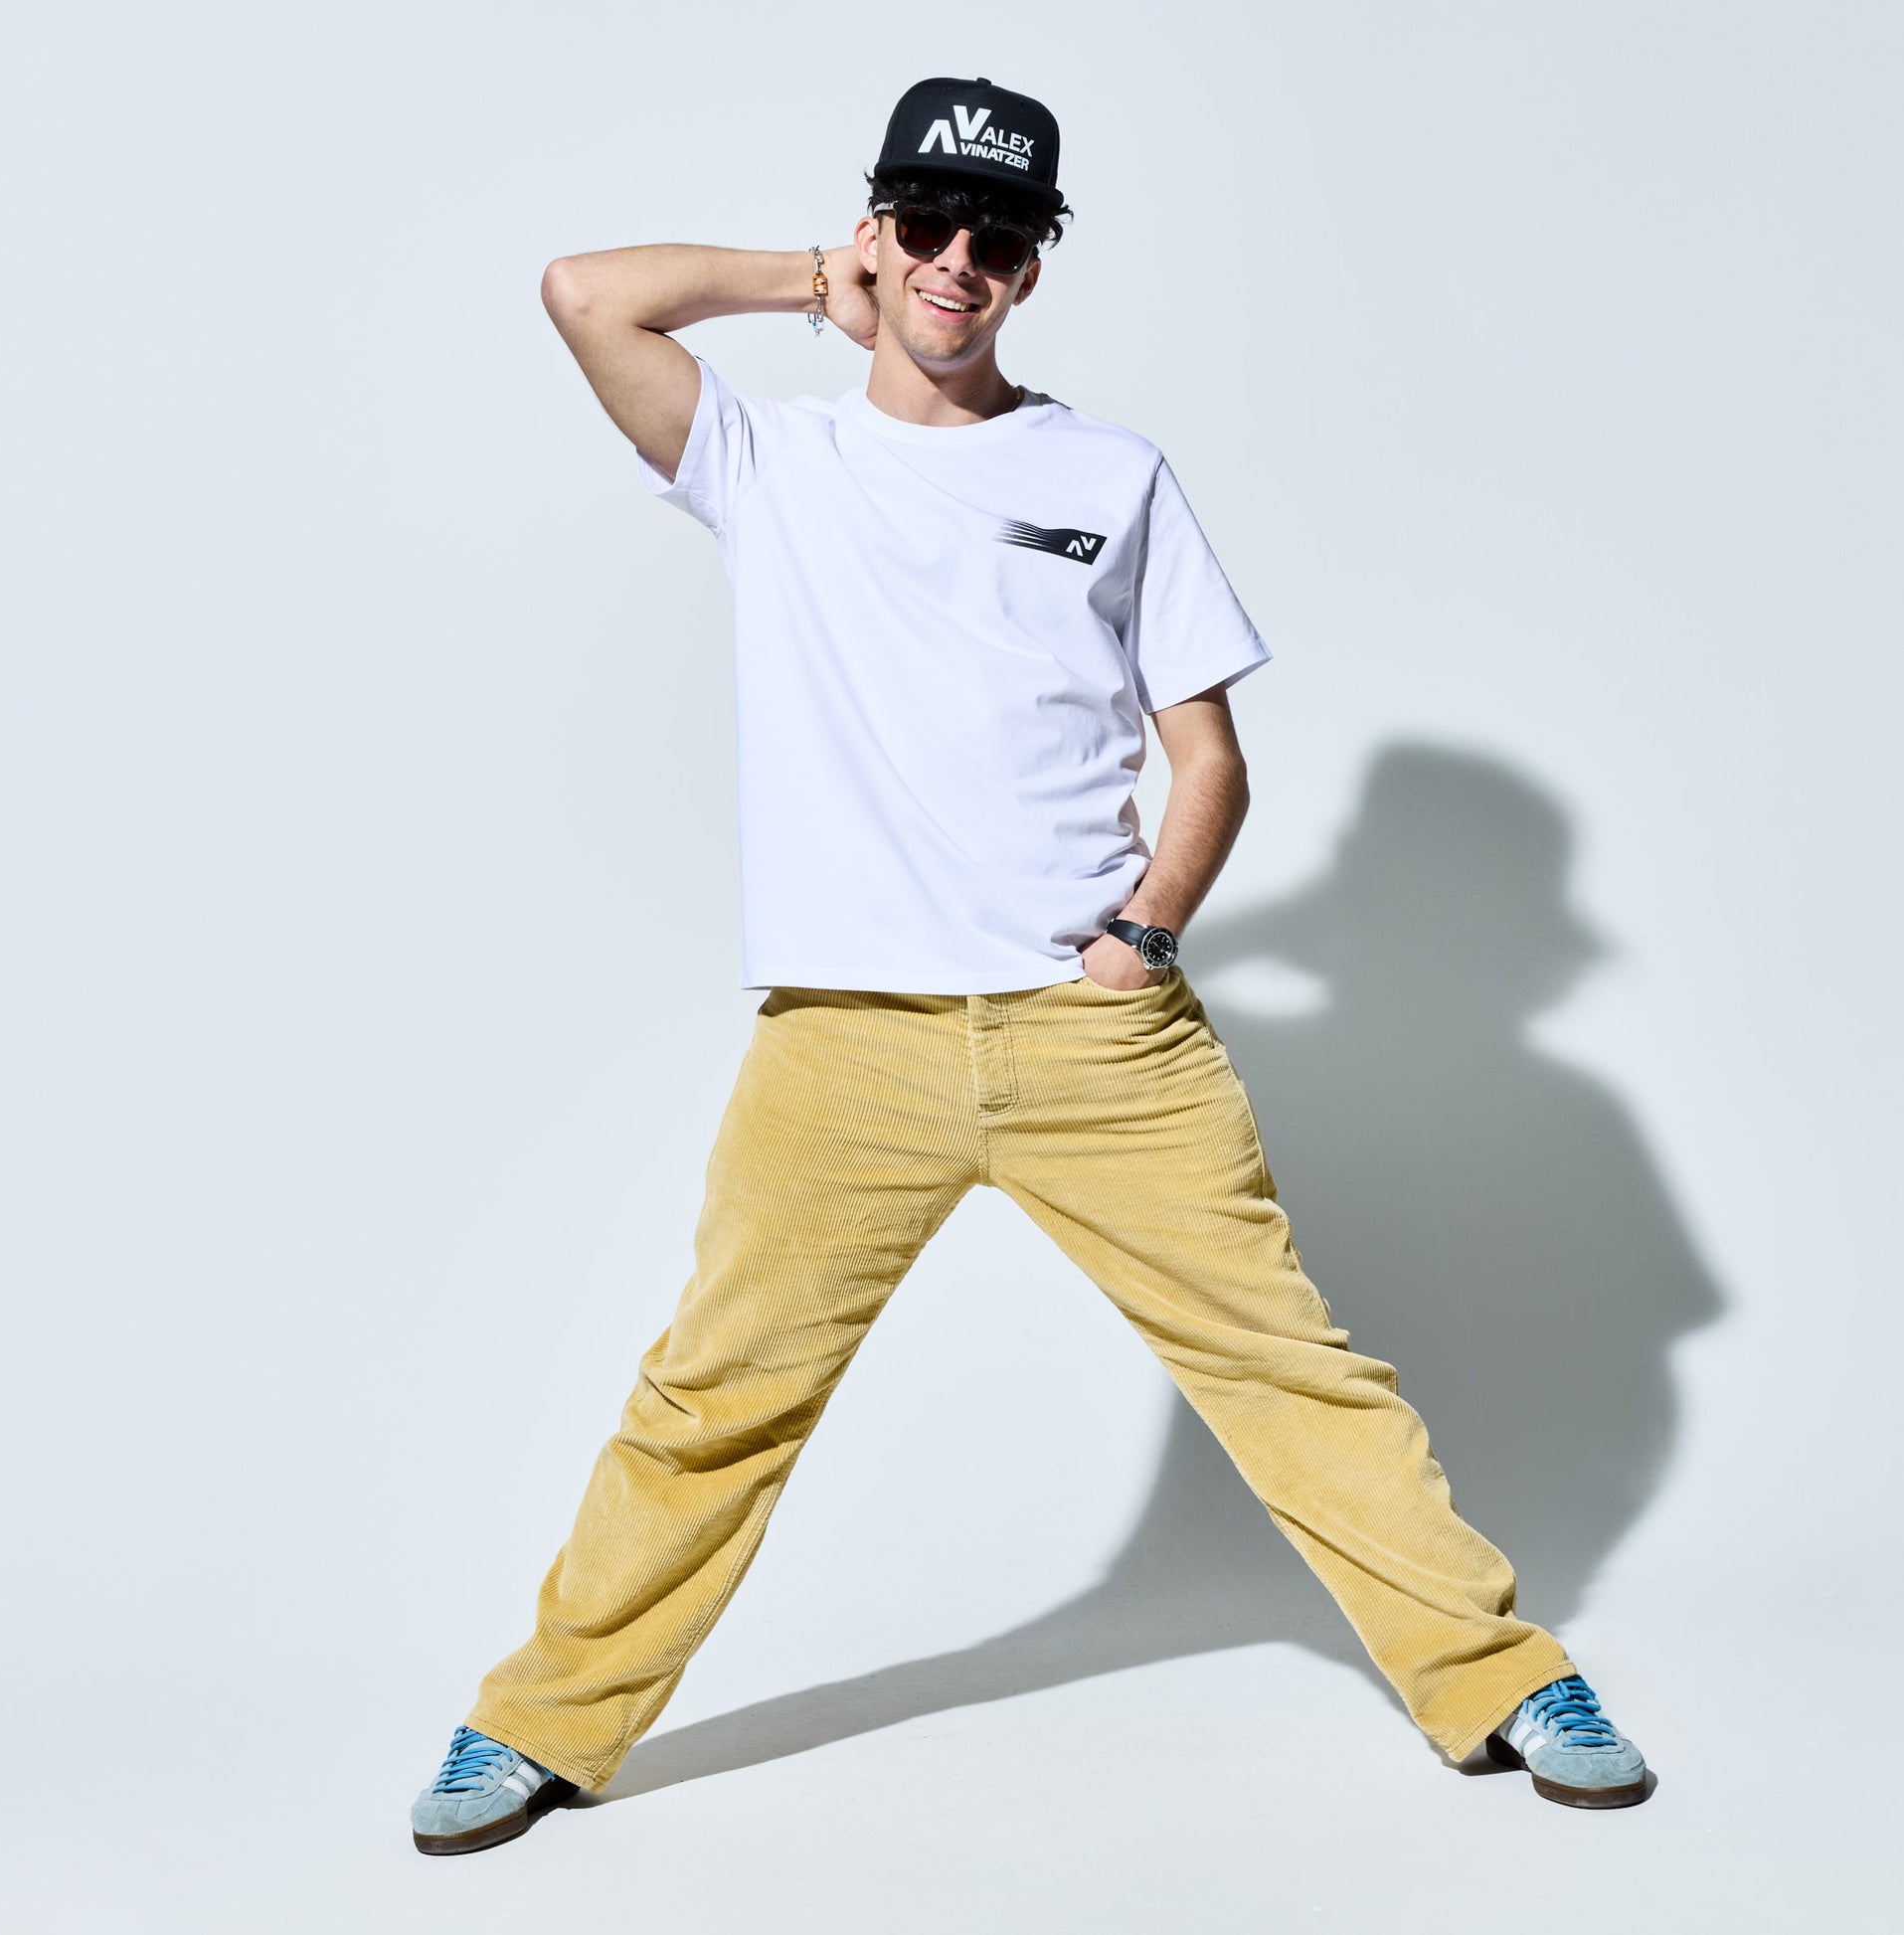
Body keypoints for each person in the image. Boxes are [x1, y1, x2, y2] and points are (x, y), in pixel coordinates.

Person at [410, 75, 1650, 1856]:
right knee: (710, 1402)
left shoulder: (1107, 471)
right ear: (878, 229)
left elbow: (1207, 757)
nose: (955, 261)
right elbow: (584, 291)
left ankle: (1500, 1674)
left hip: (1099, 1042)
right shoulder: (773, 463)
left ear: (1030, 269)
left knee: (1288, 1366)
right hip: (844, 1039)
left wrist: (1146, 935)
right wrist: (808, 281)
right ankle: (535, 1726)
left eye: (993, 238)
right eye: (924, 223)